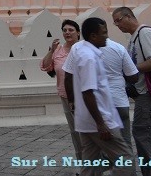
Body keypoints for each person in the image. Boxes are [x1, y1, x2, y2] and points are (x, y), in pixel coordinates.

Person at [63, 18, 134, 175]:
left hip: (86, 121)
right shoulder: (89, 57)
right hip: (99, 120)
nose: (107, 37)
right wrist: (101, 124)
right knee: (126, 160)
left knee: (90, 166)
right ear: (93, 36)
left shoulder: (82, 51)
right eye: (104, 33)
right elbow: (88, 92)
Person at [112, 7, 151, 176]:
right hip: (145, 93)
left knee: (144, 135)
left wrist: (131, 70)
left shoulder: (145, 33)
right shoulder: (134, 37)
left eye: (118, 20)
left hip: (148, 94)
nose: (117, 25)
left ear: (128, 16)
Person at [40, 19, 82, 160]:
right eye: (64, 30)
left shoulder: (84, 48)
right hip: (66, 95)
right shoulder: (58, 50)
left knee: (90, 129)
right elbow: (45, 66)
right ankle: (82, 161)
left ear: (78, 32)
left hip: (85, 94)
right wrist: (51, 50)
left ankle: (98, 160)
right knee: (75, 130)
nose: (67, 33)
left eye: (71, 30)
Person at [99, 38, 139, 149]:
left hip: (100, 104)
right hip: (120, 101)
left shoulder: (82, 50)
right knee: (125, 143)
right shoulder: (118, 47)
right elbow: (133, 76)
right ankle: (126, 165)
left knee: (105, 147)